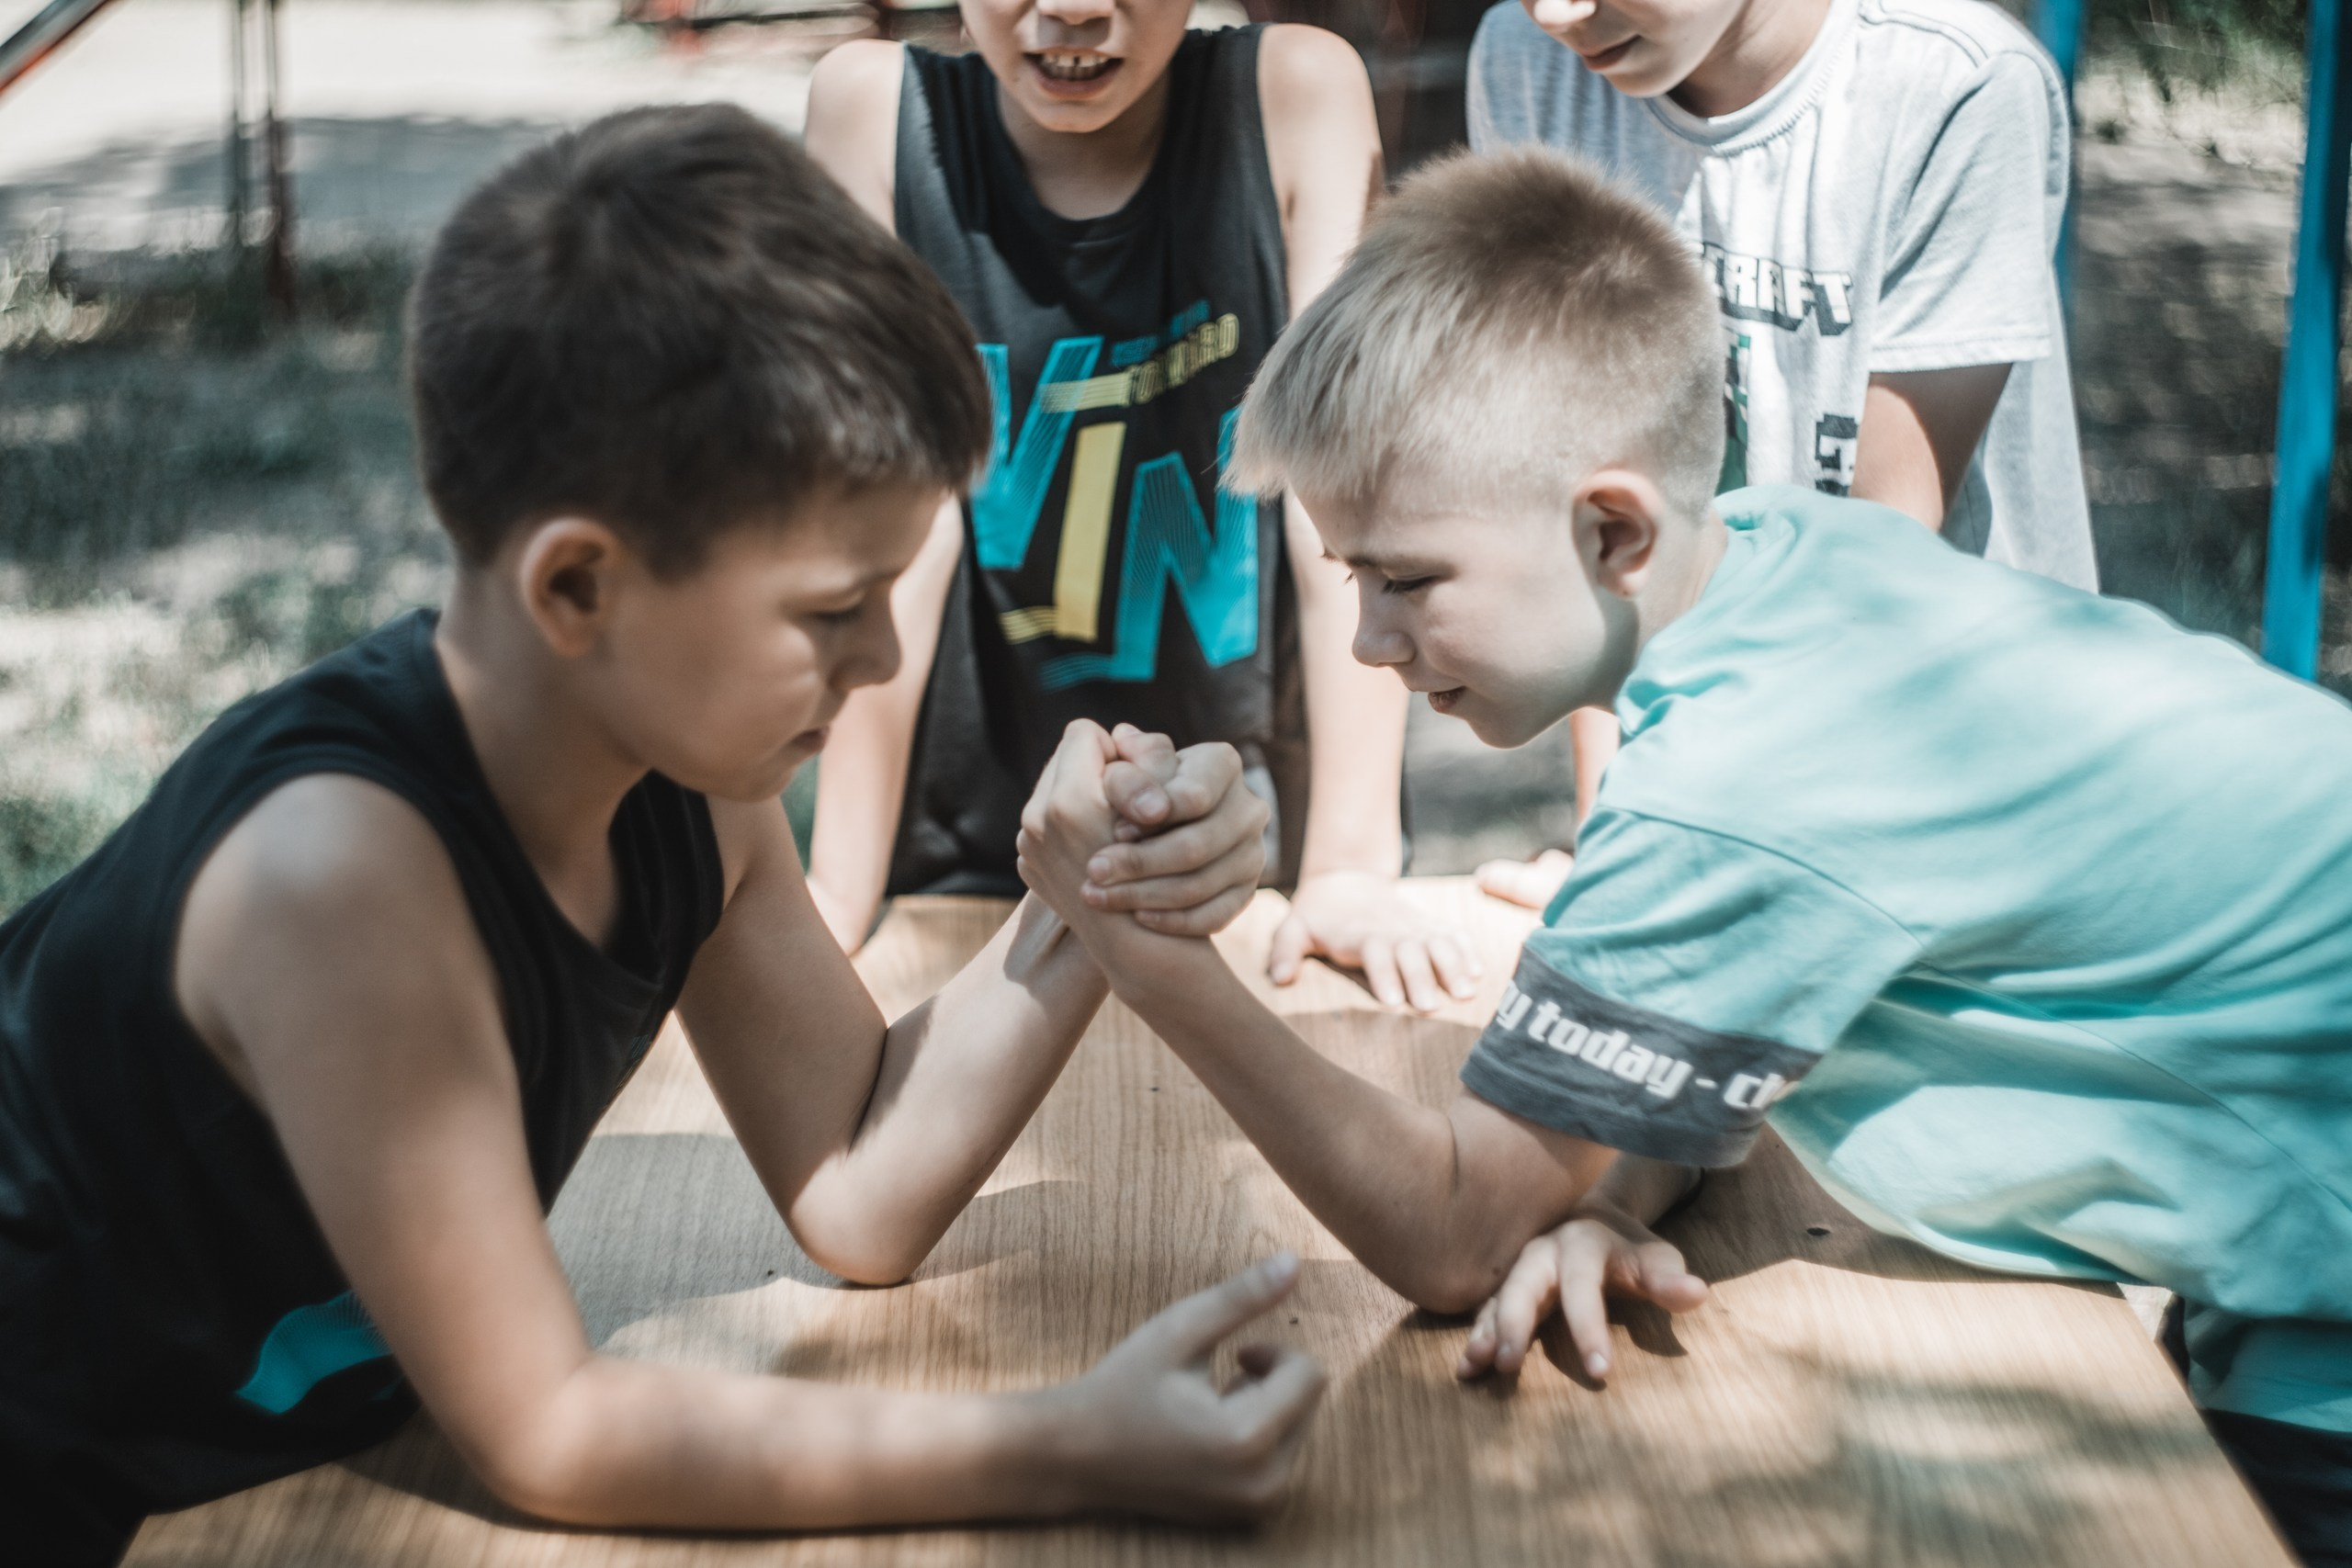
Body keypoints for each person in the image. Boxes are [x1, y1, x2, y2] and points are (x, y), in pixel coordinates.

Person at [0, 107, 1332, 1568]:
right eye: (834, 607)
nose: (887, 658)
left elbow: (855, 1181)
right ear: (578, 586)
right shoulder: (339, 881)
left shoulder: (682, 783)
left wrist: (1091, 888)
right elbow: (554, 1431)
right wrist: (1071, 1441)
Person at [1035, 149, 2352, 1566]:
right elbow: (1741, 1019)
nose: (1368, 639)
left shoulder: (1735, 780)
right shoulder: (1791, 558)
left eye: (1407, 578)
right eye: (1356, 578)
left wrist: (1152, 959)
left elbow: (1453, 1236)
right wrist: (1607, 1184)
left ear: (1612, 529)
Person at [798, 0, 1483, 1012]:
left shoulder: (1296, 93)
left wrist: (1348, 868)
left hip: (1253, 854)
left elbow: (1341, 496)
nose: (1074, 8)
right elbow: (891, 524)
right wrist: (835, 894)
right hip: (963, 859)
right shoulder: (872, 108)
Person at [1464, 0, 2099, 911]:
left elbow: (1875, 561)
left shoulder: (1956, 83)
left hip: (1964, 785)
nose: (1558, 12)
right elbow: (1587, 510)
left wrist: (1691, 873)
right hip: (1702, 795)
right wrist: (1616, 844)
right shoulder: (1526, 63)